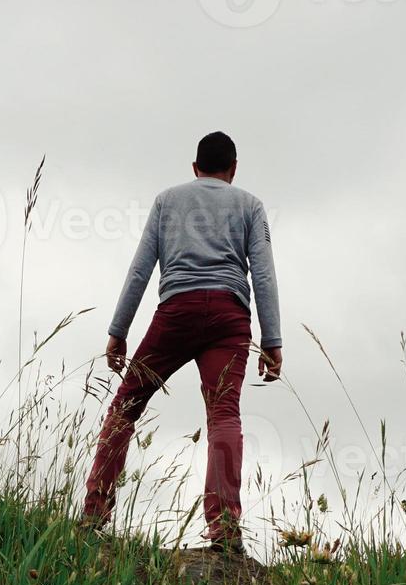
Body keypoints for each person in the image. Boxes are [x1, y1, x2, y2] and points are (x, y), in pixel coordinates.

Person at [81, 131, 282, 555]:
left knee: (126, 406)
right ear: (233, 170)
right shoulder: (250, 205)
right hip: (229, 318)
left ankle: (94, 514)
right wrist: (272, 340)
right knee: (224, 414)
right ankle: (224, 528)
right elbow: (262, 274)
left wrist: (118, 331)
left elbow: (140, 270)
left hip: (176, 312)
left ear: (195, 168)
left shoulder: (167, 201)